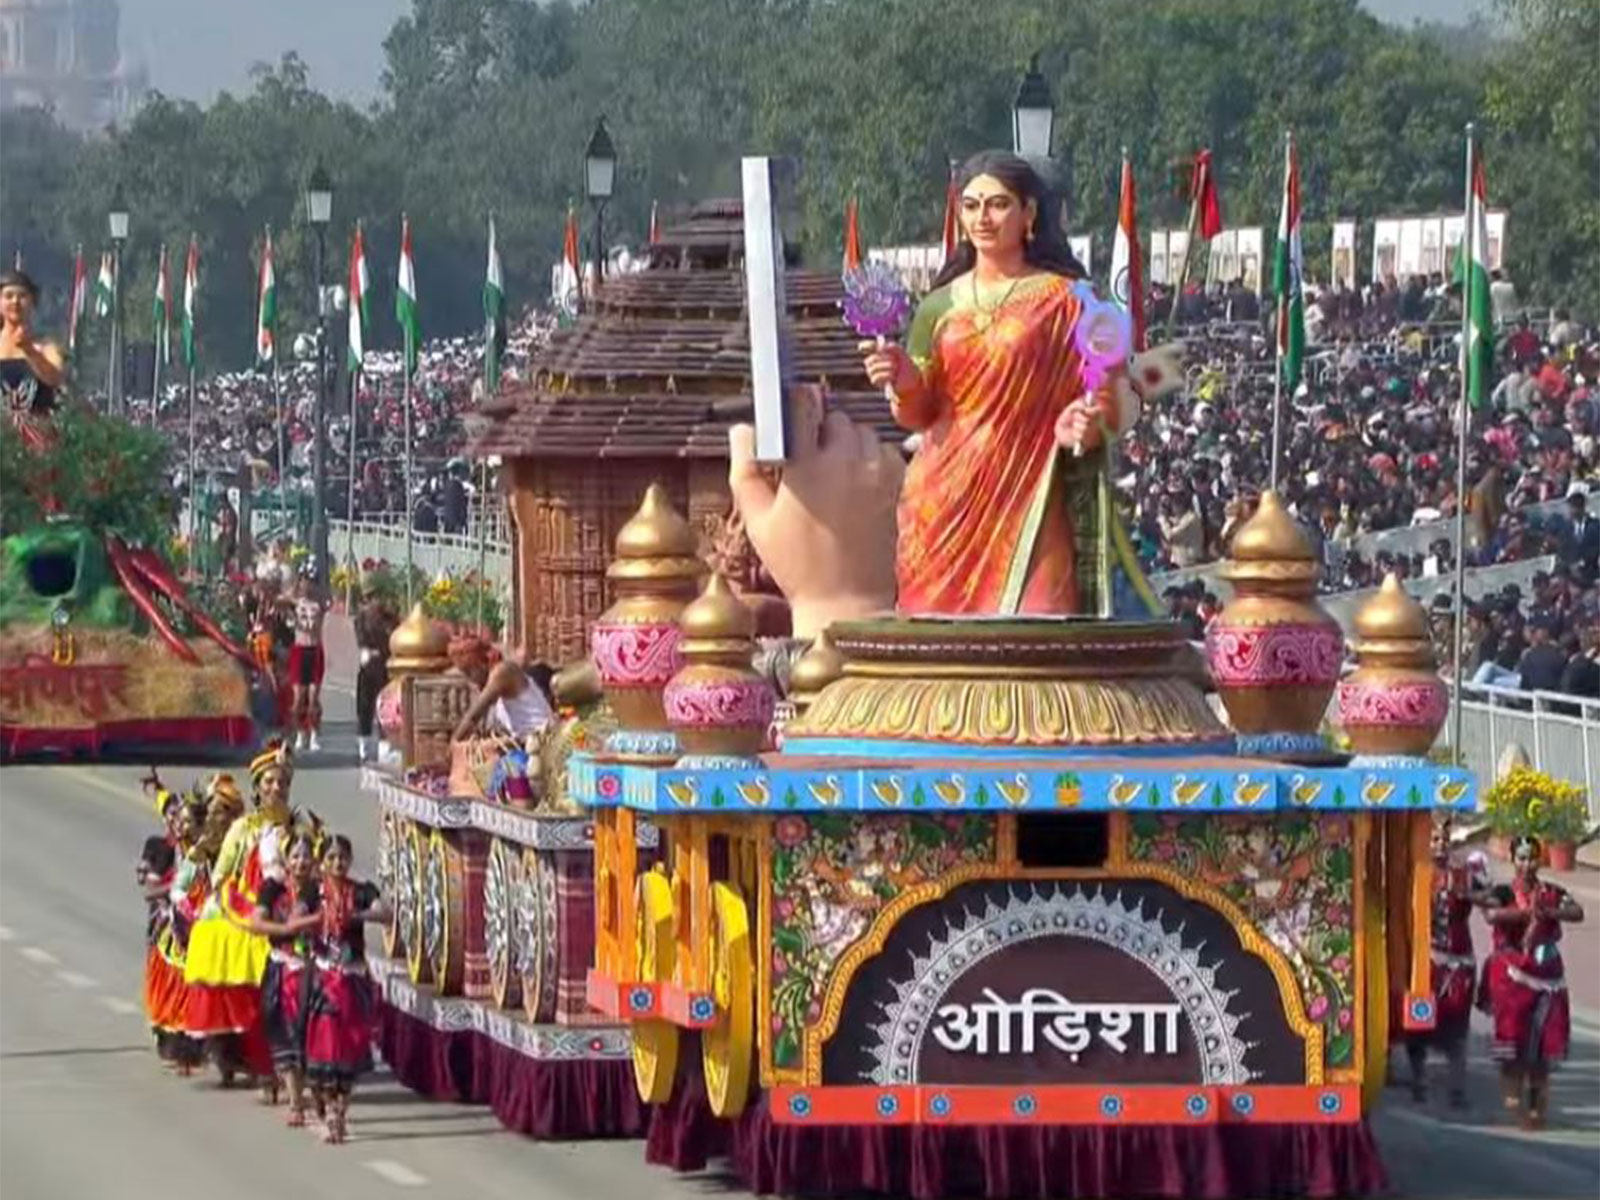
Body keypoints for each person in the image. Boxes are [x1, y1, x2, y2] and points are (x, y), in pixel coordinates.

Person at [860, 151, 1154, 616]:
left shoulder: (1068, 300)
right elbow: (918, 413)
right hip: (944, 504)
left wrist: (1088, 421)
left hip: (1032, 491)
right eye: (972, 205)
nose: (983, 218)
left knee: (1037, 639)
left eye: (998, 204)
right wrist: (901, 379)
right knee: (940, 657)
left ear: (1029, 213)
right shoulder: (939, 306)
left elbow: (1115, 393)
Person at [183, 744, 292, 1094]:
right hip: (242, 906)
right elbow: (221, 875)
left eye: (282, 782)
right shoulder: (242, 828)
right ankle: (236, 1053)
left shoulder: (298, 826)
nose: (277, 788)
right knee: (214, 935)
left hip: (286, 907)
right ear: (258, 787)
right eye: (270, 782)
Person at [1481, 836, 1584, 1128]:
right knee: (1514, 1047)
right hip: (1513, 981)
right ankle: (1514, 1105)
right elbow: (1491, 913)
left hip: (1548, 979)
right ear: (1513, 860)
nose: (1527, 864)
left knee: (1542, 1051)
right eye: (1521, 858)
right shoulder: (1502, 892)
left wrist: (1550, 912)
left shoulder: (1550, 892)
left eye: (1532, 858)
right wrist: (1527, 913)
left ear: (1540, 860)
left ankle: (1537, 1111)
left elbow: (1577, 912)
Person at [302, 834, 385, 1144]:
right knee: (323, 1049)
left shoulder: (360, 891)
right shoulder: (315, 892)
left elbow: (385, 912)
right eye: (332, 858)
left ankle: (340, 1114)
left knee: (349, 1049)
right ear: (322, 862)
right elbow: (297, 916)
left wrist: (354, 915)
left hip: (352, 980)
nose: (338, 863)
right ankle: (325, 1102)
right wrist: (320, 918)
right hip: (323, 979)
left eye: (342, 858)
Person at [1402, 817, 1484, 1108]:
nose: (1439, 845)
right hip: (1427, 958)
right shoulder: (1415, 872)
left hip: (1459, 959)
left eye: (1444, 839)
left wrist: (1471, 894)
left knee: (1457, 1023)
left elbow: (1489, 900)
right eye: (1434, 839)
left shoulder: (1463, 872)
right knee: (1418, 1021)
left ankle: (1456, 1088)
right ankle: (1418, 1080)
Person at [249, 829, 325, 1128]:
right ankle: (295, 1101)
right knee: (285, 1035)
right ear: (286, 860)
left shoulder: (323, 890)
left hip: (317, 970)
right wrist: (288, 931)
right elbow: (257, 923)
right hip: (283, 968)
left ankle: (317, 1092)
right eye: (295, 855)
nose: (301, 860)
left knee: (315, 1037)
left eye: (306, 855)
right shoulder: (273, 889)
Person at [0, 267, 66, 449]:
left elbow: (54, 378)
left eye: (22, 296)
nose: (15, 301)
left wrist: (30, 351)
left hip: (37, 445)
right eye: (8, 296)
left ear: (32, 302)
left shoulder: (46, 348)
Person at [452, 646, 556, 741]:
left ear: (480, 664)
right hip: (527, 741)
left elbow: (473, 716)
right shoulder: (496, 682)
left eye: (469, 672)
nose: (470, 679)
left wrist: (453, 743)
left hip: (543, 740)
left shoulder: (502, 673)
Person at [354, 584, 398, 762]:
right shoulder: (362, 618)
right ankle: (364, 743)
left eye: (378, 598)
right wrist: (366, 649)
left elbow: (396, 634)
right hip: (368, 666)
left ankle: (384, 745)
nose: (376, 602)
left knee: (385, 706)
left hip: (385, 666)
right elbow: (361, 637)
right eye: (371, 598)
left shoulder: (390, 618)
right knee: (365, 706)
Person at [288, 576, 327, 753]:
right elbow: (280, 598)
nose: (306, 585)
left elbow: (326, 601)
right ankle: (300, 732)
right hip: (299, 650)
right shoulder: (294, 603)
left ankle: (314, 734)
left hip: (315, 650)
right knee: (298, 698)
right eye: (303, 581)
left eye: (310, 582)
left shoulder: (319, 605)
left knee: (313, 697)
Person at [1517, 618, 1567, 693]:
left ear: (1545, 631)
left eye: (1534, 631)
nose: (1531, 634)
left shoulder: (1556, 651)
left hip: (1539, 692)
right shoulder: (1528, 652)